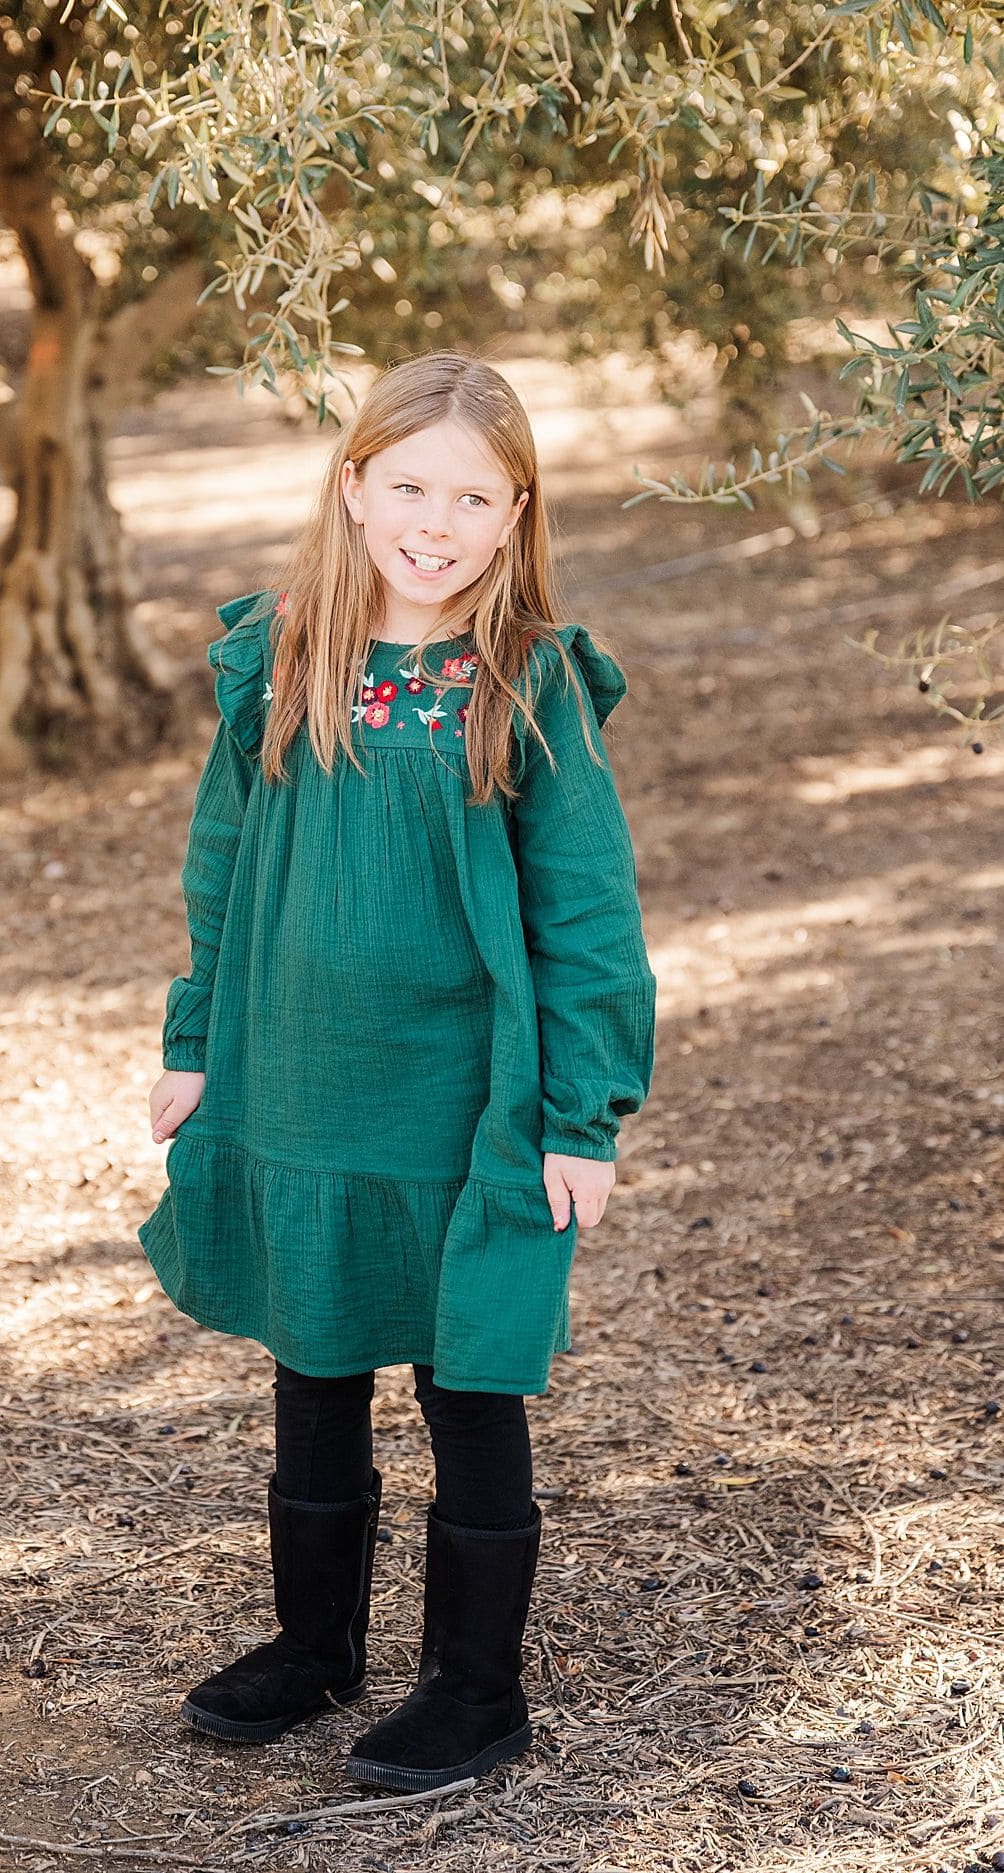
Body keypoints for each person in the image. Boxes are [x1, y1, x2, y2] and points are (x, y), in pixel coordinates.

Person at [139, 352, 656, 1794]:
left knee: (464, 1384)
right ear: (355, 486)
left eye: (473, 497)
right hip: (303, 1082)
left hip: (468, 1103)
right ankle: (316, 1647)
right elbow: (224, 863)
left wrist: (583, 1116)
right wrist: (197, 1042)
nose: (437, 522)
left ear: (516, 514)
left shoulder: (528, 684)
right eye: (411, 487)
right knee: (314, 1364)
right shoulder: (286, 654)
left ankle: (475, 1692)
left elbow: (589, 915)